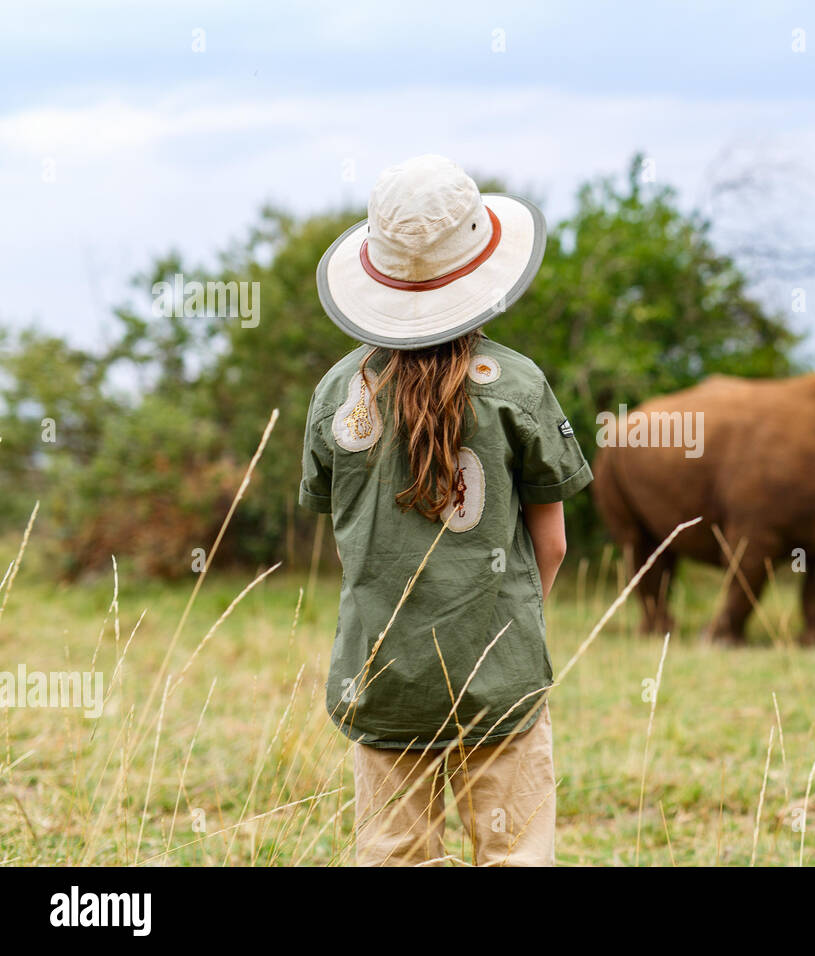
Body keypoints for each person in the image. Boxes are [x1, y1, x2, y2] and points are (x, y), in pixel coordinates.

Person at [299, 155, 591, 866]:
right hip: (501, 677)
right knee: (515, 851)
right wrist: (513, 628)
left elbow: (348, 537)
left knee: (396, 855)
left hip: (383, 680)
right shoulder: (517, 385)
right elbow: (550, 546)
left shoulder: (340, 394)